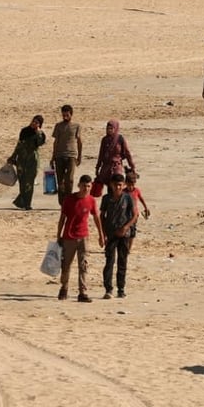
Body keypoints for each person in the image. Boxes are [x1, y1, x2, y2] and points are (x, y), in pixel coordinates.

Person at [56, 175, 104, 303]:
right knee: (66, 265)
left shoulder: (91, 200)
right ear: (79, 185)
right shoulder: (69, 199)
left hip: (83, 237)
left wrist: (101, 235)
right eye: (84, 186)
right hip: (69, 237)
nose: (86, 189)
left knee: (83, 265)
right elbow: (62, 218)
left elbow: (96, 218)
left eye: (88, 186)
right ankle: (64, 288)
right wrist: (58, 235)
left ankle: (82, 292)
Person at [100, 172, 138, 299]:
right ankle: (108, 289)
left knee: (122, 262)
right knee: (109, 261)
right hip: (111, 234)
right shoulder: (106, 199)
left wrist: (126, 227)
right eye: (115, 185)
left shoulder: (128, 198)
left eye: (120, 185)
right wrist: (103, 233)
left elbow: (134, 215)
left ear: (123, 185)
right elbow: (101, 216)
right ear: (111, 185)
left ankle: (121, 289)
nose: (118, 188)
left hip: (124, 235)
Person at [9, 114, 46, 210]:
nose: (34, 123)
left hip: (33, 160)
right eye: (33, 121)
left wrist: (38, 133)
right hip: (21, 159)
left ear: (40, 124)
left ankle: (27, 203)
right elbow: (19, 145)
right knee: (22, 181)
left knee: (29, 181)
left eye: (37, 122)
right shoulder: (24, 131)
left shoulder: (41, 134)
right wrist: (13, 157)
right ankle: (22, 202)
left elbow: (40, 143)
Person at [93, 120, 135, 197]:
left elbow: (127, 153)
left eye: (111, 128)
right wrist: (97, 167)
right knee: (110, 187)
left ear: (115, 129)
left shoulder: (120, 139)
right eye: (107, 128)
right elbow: (101, 154)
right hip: (106, 167)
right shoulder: (104, 140)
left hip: (117, 166)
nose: (109, 130)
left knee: (118, 185)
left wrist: (132, 166)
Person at [51, 104, 82, 206]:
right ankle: (62, 203)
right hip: (59, 156)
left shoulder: (76, 126)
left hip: (71, 156)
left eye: (67, 115)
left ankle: (69, 201)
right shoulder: (58, 126)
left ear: (71, 114)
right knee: (60, 181)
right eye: (63, 115)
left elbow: (79, 142)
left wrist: (79, 157)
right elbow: (55, 142)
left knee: (70, 180)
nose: (65, 117)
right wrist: (53, 157)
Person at [124, 171, 149, 251]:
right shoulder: (123, 192)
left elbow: (141, 199)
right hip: (125, 215)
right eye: (129, 185)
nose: (131, 187)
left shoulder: (136, 191)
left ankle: (129, 249)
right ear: (126, 183)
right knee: (125, 232)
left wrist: (146, 208)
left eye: (132, 185)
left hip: (134, 215)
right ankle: (125, 247)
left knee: (132, 232)